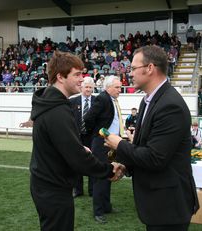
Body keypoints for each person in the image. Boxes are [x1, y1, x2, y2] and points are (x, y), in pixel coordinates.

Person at [104, 46, 199, 231]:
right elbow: (144, 146)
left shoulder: (170, 105)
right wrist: (125, 165)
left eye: (133, 68)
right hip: (157, 203)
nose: (129, 73)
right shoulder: (148, 99)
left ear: (149, 68)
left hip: (169, 206)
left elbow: (155, 158)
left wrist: (120, 144)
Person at [29, 51, 124, 231]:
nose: (82, 79)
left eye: (83, 74)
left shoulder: (53, 104)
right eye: (77, 74)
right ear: (60, 77)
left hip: (48, 183)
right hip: (53, 187)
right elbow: (76, 158)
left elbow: (61, 145)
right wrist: (108, 170)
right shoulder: (57, 110)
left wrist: (78, 147)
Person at [84, 75, 124, 224]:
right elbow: (88, 118)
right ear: (108, 87)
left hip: (111, 144)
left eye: (120, 87)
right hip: (102, 143)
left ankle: (106, 206)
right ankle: (98, 211)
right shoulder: (102, 98)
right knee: (101, 177)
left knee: (110, 174)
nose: (120, 90)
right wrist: (97, 134)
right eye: (117, 87)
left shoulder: (112, 99)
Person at [70, 77, 95, 198]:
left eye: (90, 87)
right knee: (77, 163)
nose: (88, 89)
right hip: (77, 137)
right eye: (86, 87)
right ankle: (78, 189)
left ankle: (92, 190)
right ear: (82, 87)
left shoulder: (97, 101)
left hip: (92, 137)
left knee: (91, 163)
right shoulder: (73, 101)